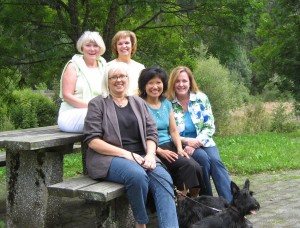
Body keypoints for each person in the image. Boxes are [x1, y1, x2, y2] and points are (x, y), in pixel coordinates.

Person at [83, 62, 179, 228]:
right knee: (137, 175)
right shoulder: (98, 104)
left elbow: (151, 132)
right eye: (114, 77)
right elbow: (93, 140)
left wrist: (150, 155)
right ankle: (140, 223)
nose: (119, 80)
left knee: (164, 179)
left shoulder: (138, 102)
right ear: (107, 80)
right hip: (110, 158)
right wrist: (127, 155)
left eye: (123, 76)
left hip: (142, 155)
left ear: (128, 80)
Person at [166, 66, 232, 203]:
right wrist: (186, 142)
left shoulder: (201, 98)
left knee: (216, 161)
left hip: (204, 141)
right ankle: (207, 201)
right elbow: (169, 131)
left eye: (184, 81)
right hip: (181, 144)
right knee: (204, 161)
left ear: (190, 82)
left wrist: (196, 142)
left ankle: (230, 203)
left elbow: (209, 125)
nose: (181, 84)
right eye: (177, 81)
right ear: (172, 83)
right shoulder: (168, 103)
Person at [138, 66, 205, 200]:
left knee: (197, 168)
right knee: (187, 166)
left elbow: (173, 130)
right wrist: (159, 151)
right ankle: (181, 205)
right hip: (152, 148)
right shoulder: (139, 104)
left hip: (170, 144)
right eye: (150, 83)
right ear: (144, 86)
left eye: (158, 83)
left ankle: (191, 201)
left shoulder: (167, 104)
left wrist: (180, 148)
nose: (155, 86)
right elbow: (138, 134)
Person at [57, 31, 106, 133]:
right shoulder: (73, 66)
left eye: (95, 46)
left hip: (98, 113)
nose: (92, 49)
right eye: (88, 45)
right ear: (82, 47)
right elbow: (67, 95)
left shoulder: (104, 66)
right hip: (71, 114)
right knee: (104, 118)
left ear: (100, 48)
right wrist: (93, 107)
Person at [108, 30, 145, 95]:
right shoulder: (108, 66)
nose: (124, 46)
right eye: (120, 44)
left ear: (132, 45)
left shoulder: (140, 68)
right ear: (115, 47)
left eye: (127, 43)